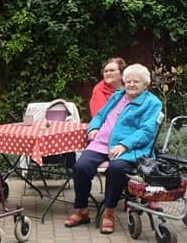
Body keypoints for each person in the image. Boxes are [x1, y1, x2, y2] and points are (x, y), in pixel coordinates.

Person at [64, 63, 162, 234]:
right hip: (101, 143)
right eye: (128, 81)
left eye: (136, 82)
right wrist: (93, 128)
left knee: (116, 169)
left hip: (129, 148)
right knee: (81, 167)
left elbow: (147, 131)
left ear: (146, 84)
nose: (131, 85)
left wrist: (125, 145)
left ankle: (109, 212)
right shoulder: (118, 96)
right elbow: (100, 115)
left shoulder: (152, 103)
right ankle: (81, 210)